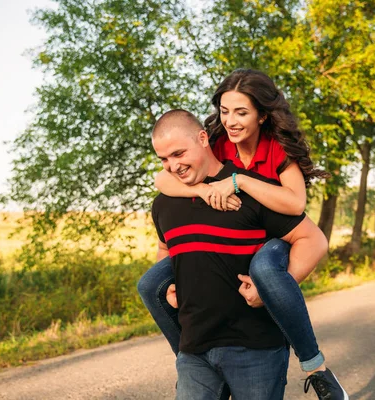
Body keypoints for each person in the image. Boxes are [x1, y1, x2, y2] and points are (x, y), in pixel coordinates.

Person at [138, 69, 348, 400]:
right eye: (224, 111)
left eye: (241, 112)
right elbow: (164, 180)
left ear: (262, 115)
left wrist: (241, 182)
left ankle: (315, 367)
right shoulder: (217, 141)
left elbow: (295, 205)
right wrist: (206, 192)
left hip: (270, 239)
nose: (231, 121)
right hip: (199, 346)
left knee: (265, 271)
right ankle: (185, 355)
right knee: (150, 284)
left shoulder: (276, 150)